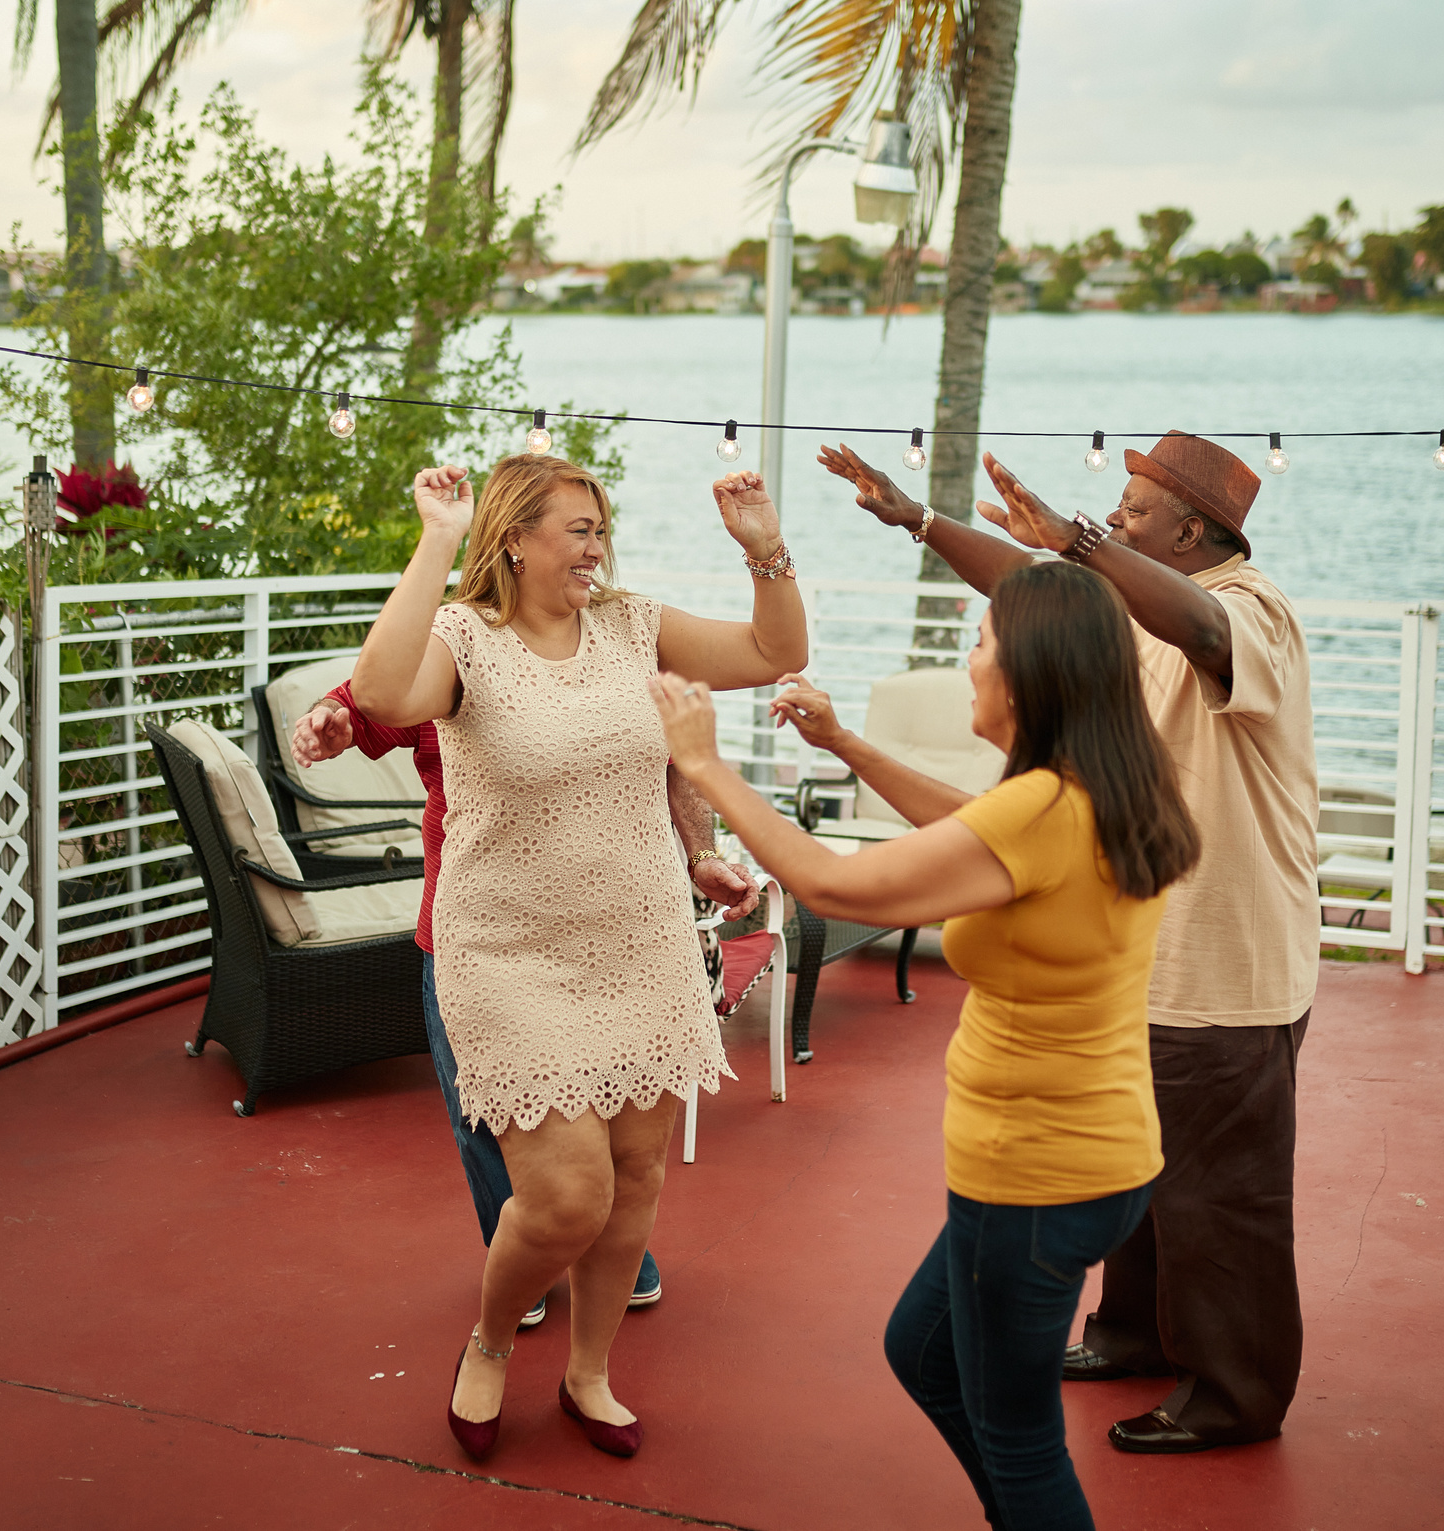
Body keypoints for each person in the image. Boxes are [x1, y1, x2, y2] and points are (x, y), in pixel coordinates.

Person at [650, 558, 1201, 1530]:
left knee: (1018, 1435)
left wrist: (702, 764)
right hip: (1093, 1158)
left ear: (1029, 674)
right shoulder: (1099, 786)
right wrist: (846, 742)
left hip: (1030, 1173)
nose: (968, 665)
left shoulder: (1039, 807)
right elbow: (967, 830)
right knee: (924, 1352)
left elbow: (834, 885)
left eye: (979, 645)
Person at [820, 432, 1319, 1454]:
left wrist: (1079, 541)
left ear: (1189, 530)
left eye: (1131, 511)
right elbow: (1035, 591)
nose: (1113, 521)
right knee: (1140, 1172)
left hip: (1227, 966)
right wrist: (918, 519)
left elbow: (1194, 626)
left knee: (1218, 1196)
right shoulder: (1132, 607)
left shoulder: (1248, 609)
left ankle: (1234, 1392)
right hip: (1143, 947)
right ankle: (1132, 1333)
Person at [350, 453, 806, 1461]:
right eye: (576, 529)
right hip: (508, 954)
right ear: (513, 537)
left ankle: (588, 1375)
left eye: (601, 528)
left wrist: (764, 549)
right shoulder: (465, 639)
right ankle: (486, 1341)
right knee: (565, 1197)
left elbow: (775, 651)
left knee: (636, 1174)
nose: (596, 547)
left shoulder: (632, 626)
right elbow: (380, 692)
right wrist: (435, 538)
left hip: (640, 940)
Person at [290, 686, 759, 1325]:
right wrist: (327, 716)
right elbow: (363, 699)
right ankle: (523, 1260)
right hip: (480, 938)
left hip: (607, 936)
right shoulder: (446, 652)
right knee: (482, 1108)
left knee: (617, 1104)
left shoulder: (622, 645)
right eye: (575, 573)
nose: (591, 579)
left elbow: (676, 762)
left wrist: (702, 854)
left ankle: (610, 1249)